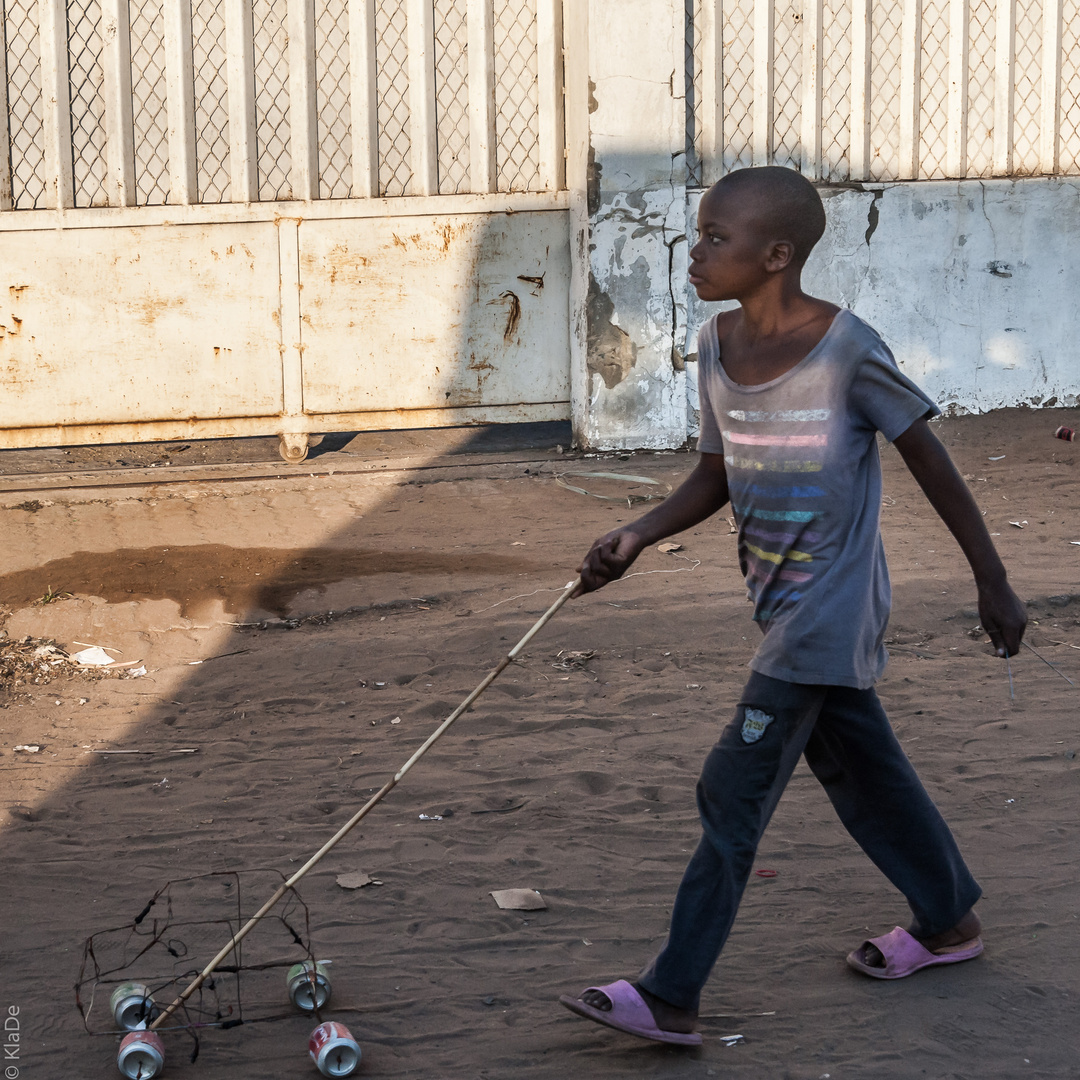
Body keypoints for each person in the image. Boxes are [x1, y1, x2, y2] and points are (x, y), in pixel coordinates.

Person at [558, 166, 1027, 1047]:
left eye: (715, 239)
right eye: (697, 234)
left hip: (829, 609)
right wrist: (636, 535)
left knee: (730, 794)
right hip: (777, 602)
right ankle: (948, 920)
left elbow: (930, 458)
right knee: (863, 772)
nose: (694, 252)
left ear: (777, 255)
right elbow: (713, 474)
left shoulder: (849, 350)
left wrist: (991, 579)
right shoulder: (716, 343)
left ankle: (672, 993)